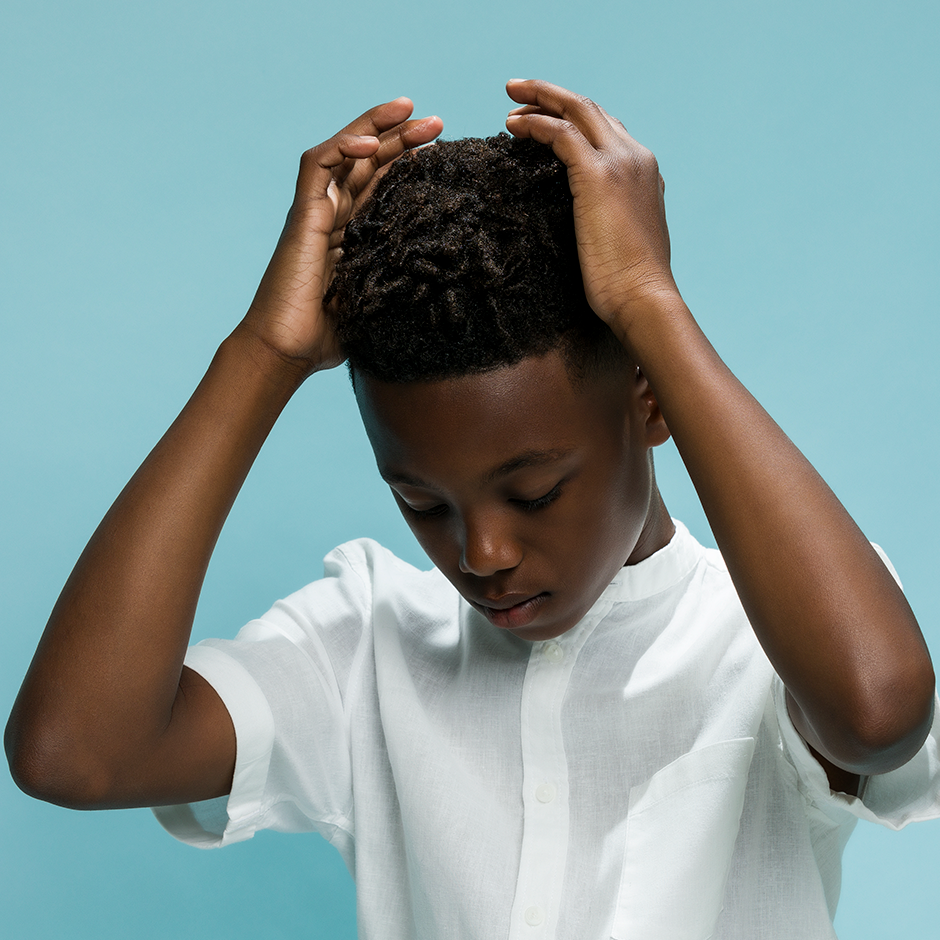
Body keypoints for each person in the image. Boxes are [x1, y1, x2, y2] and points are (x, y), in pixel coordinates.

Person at [5, 80, 940, 938]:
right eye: (421, 502)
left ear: (650, 401)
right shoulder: (365, 649)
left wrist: (649, 302)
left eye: (535, 493)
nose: (482, 550)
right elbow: (70, 752)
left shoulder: (771, 636)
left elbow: (876, 710)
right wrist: (264, 353)